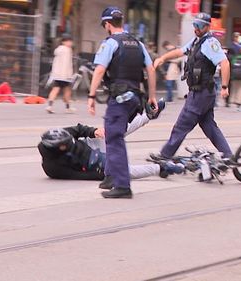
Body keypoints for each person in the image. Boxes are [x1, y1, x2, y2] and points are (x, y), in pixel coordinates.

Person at [87, 7, 157, 199]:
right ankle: (111, 175)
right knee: (112, 133)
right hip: (135, 98)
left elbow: (100, 70)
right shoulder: (137, 43)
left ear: (107, 24)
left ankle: (122, 185)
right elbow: (151, 70)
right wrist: (151, 96)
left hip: (119, 98)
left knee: (114, 137)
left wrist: (91, 96)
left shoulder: (110, 43)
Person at [151, 12, 233, 163]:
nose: (196, 28)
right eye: (195, 24)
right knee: (209, 126)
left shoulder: (210, 43)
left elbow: (225, 63)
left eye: (200, 25)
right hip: (202, 92)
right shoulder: (197, 41)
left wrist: (225, 86)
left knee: (182, 124)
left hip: (201, 92)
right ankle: (228, 155)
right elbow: (180, 51)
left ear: (207, 27)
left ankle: (165, 155)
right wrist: (163, 58)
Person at [38, 106, 184, 182]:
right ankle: (161, 168)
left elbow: (78, 129)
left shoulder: (60, 134)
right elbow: (77, 175)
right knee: (124, 172)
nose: (69, 144)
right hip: (93, 164)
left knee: (113, 131)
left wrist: (94, 131)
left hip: (90, 146)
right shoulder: (53, 168)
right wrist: (103, 175)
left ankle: (148, 115)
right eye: (65, 145)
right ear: (55, 149)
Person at [46, 36, 76, 114]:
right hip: (65, 75)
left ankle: (49, 106)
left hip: (57, 74)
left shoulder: (58, 50)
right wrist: (70, 75)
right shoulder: (67, 50)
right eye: (69, 41)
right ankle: (68, 107)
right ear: (64, 42)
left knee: (55, 89)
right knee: (67, 91)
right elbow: (67, 64)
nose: (70, 43)